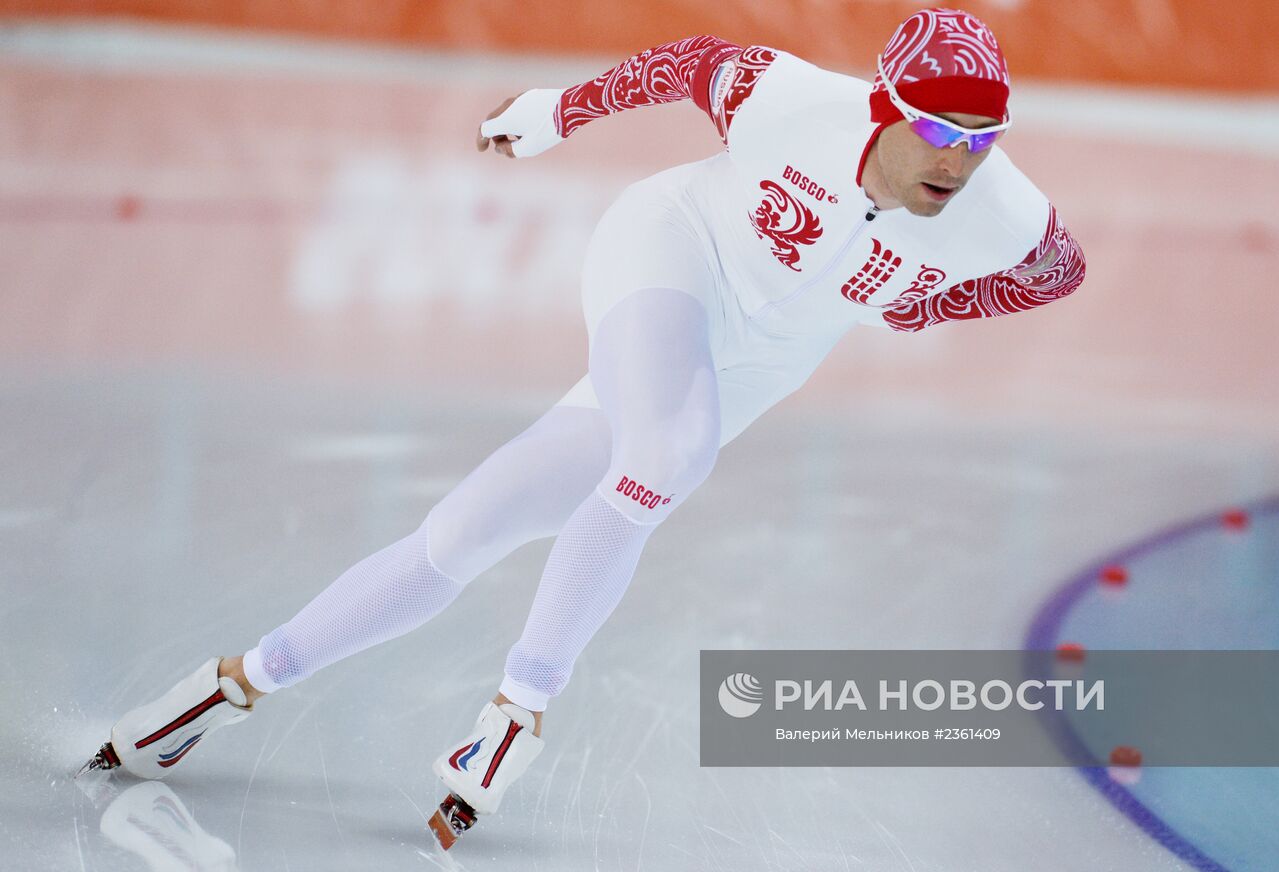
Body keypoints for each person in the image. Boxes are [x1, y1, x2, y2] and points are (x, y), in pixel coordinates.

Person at [83, 6, 1086, 844]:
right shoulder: (788, 101)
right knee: (668, 452)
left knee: (468, 529)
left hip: (753, 361)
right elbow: (687, 63)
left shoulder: (1005, 213)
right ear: (887, 105)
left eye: (985, 136)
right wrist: (555, 113)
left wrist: (931, 307)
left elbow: (1058, 273)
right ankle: (517, 711)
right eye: (943, 131)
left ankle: (226, 686)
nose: (962, 161)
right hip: (671, 254)